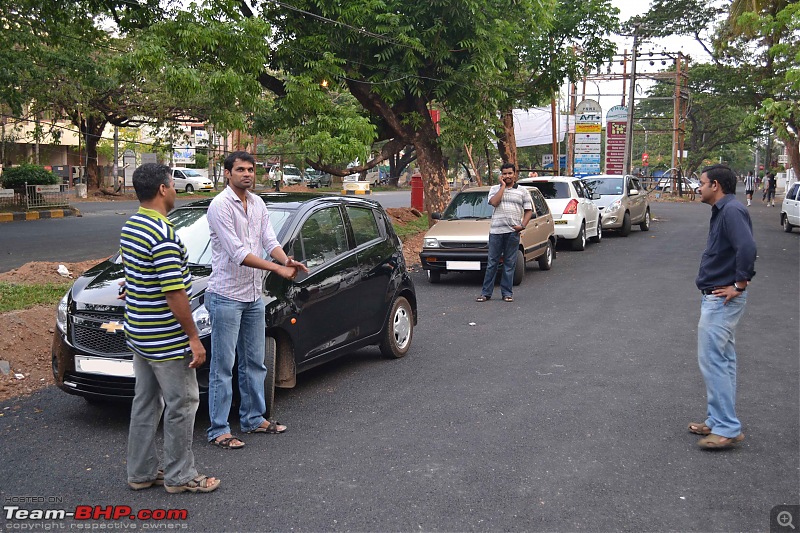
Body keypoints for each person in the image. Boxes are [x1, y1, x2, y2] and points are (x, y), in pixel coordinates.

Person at [121, 163, 219, 493]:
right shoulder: (162, 234)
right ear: (163, 189)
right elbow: (174, 293)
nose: (176, 189)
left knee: (146, 402)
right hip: (165, 339)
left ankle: (141, 473)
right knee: (183, 403)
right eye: (173, 184)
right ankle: (181, 476)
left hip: (139, 334)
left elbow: (137, 275)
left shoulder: (132, 226)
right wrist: (194, 338)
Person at [206, 151, 308, 450]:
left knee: (254, 362)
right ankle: (219, 430)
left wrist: (286, 259)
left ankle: (253, 419)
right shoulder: (220, 206)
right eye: (240, 169)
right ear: (228, 173)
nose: (247, 174)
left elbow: (269, 241)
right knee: (222, 367)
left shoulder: (258, 203)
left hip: (252, 297)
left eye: (251, 169)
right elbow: (238, 254)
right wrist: (277, 268)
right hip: (225, 296)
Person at [689, 164, 757, 450]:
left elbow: (748, 248)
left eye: (702, 183)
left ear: (715, 185)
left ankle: (727, 428)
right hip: (717, 296)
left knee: (713, 362)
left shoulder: (731, 210)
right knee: (723, 362)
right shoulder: (724, 210)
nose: (699, 188)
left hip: (722, 299)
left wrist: (739, 285)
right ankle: (718, 420)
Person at [475, 163, 533, 303]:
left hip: (513, 232)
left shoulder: (523, 191)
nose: (507, 176)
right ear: (501, 175)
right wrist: (502, 187)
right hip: (496, 231)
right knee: (492, 263)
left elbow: (528, 210)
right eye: (505, 174)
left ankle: (507, 293)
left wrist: (522, 226)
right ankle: (486, 293)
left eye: (510, 173)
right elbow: (494, 202)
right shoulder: (495, 189)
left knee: (509, 263)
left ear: (515, 174)